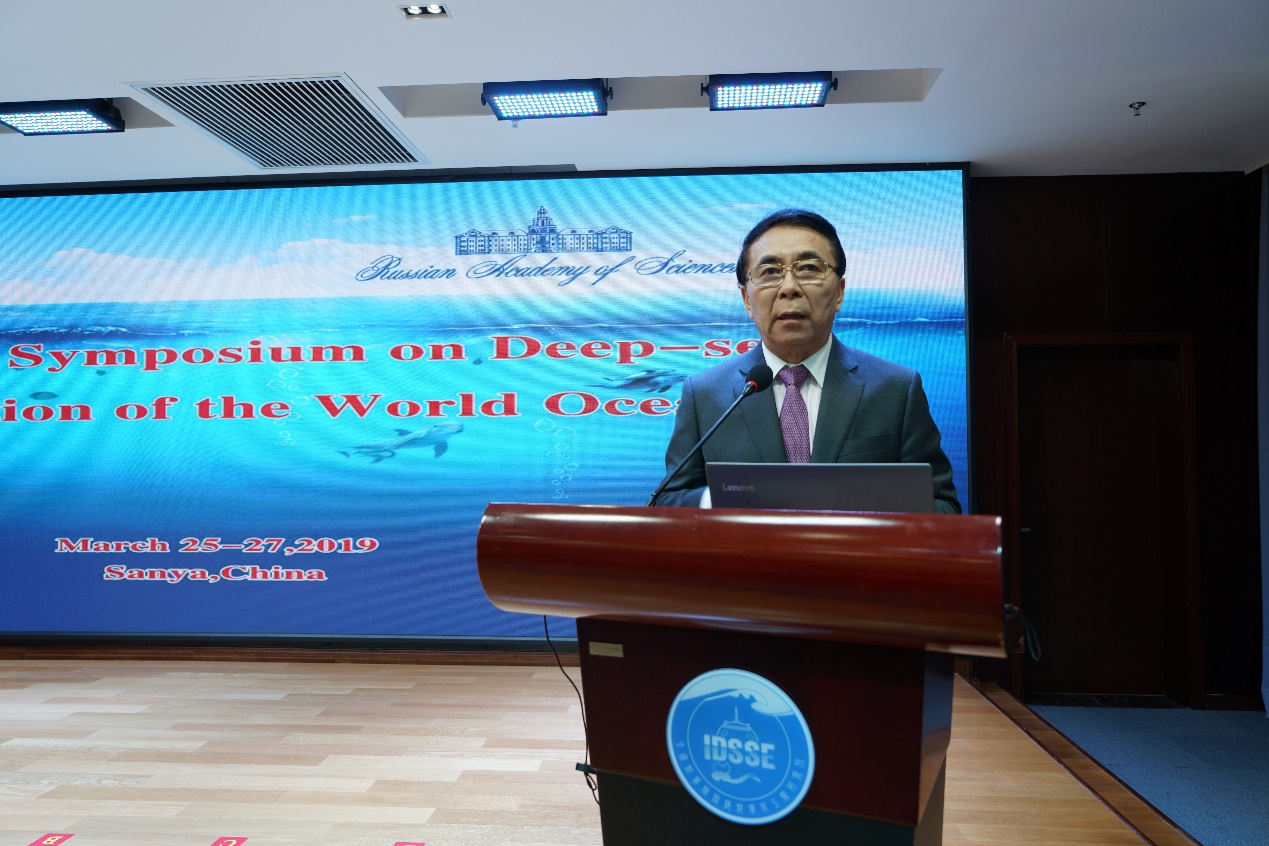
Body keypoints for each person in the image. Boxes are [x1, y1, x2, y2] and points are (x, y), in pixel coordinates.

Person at [651, 208, 960, 513]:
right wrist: (725, 499)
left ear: (839, 292)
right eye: (770, 272)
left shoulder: (896, 389)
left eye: (809, 269)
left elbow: (942, 505)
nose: (789, 288)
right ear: (746, 300)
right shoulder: (705, 395)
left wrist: (872, 513)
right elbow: (667, 501)